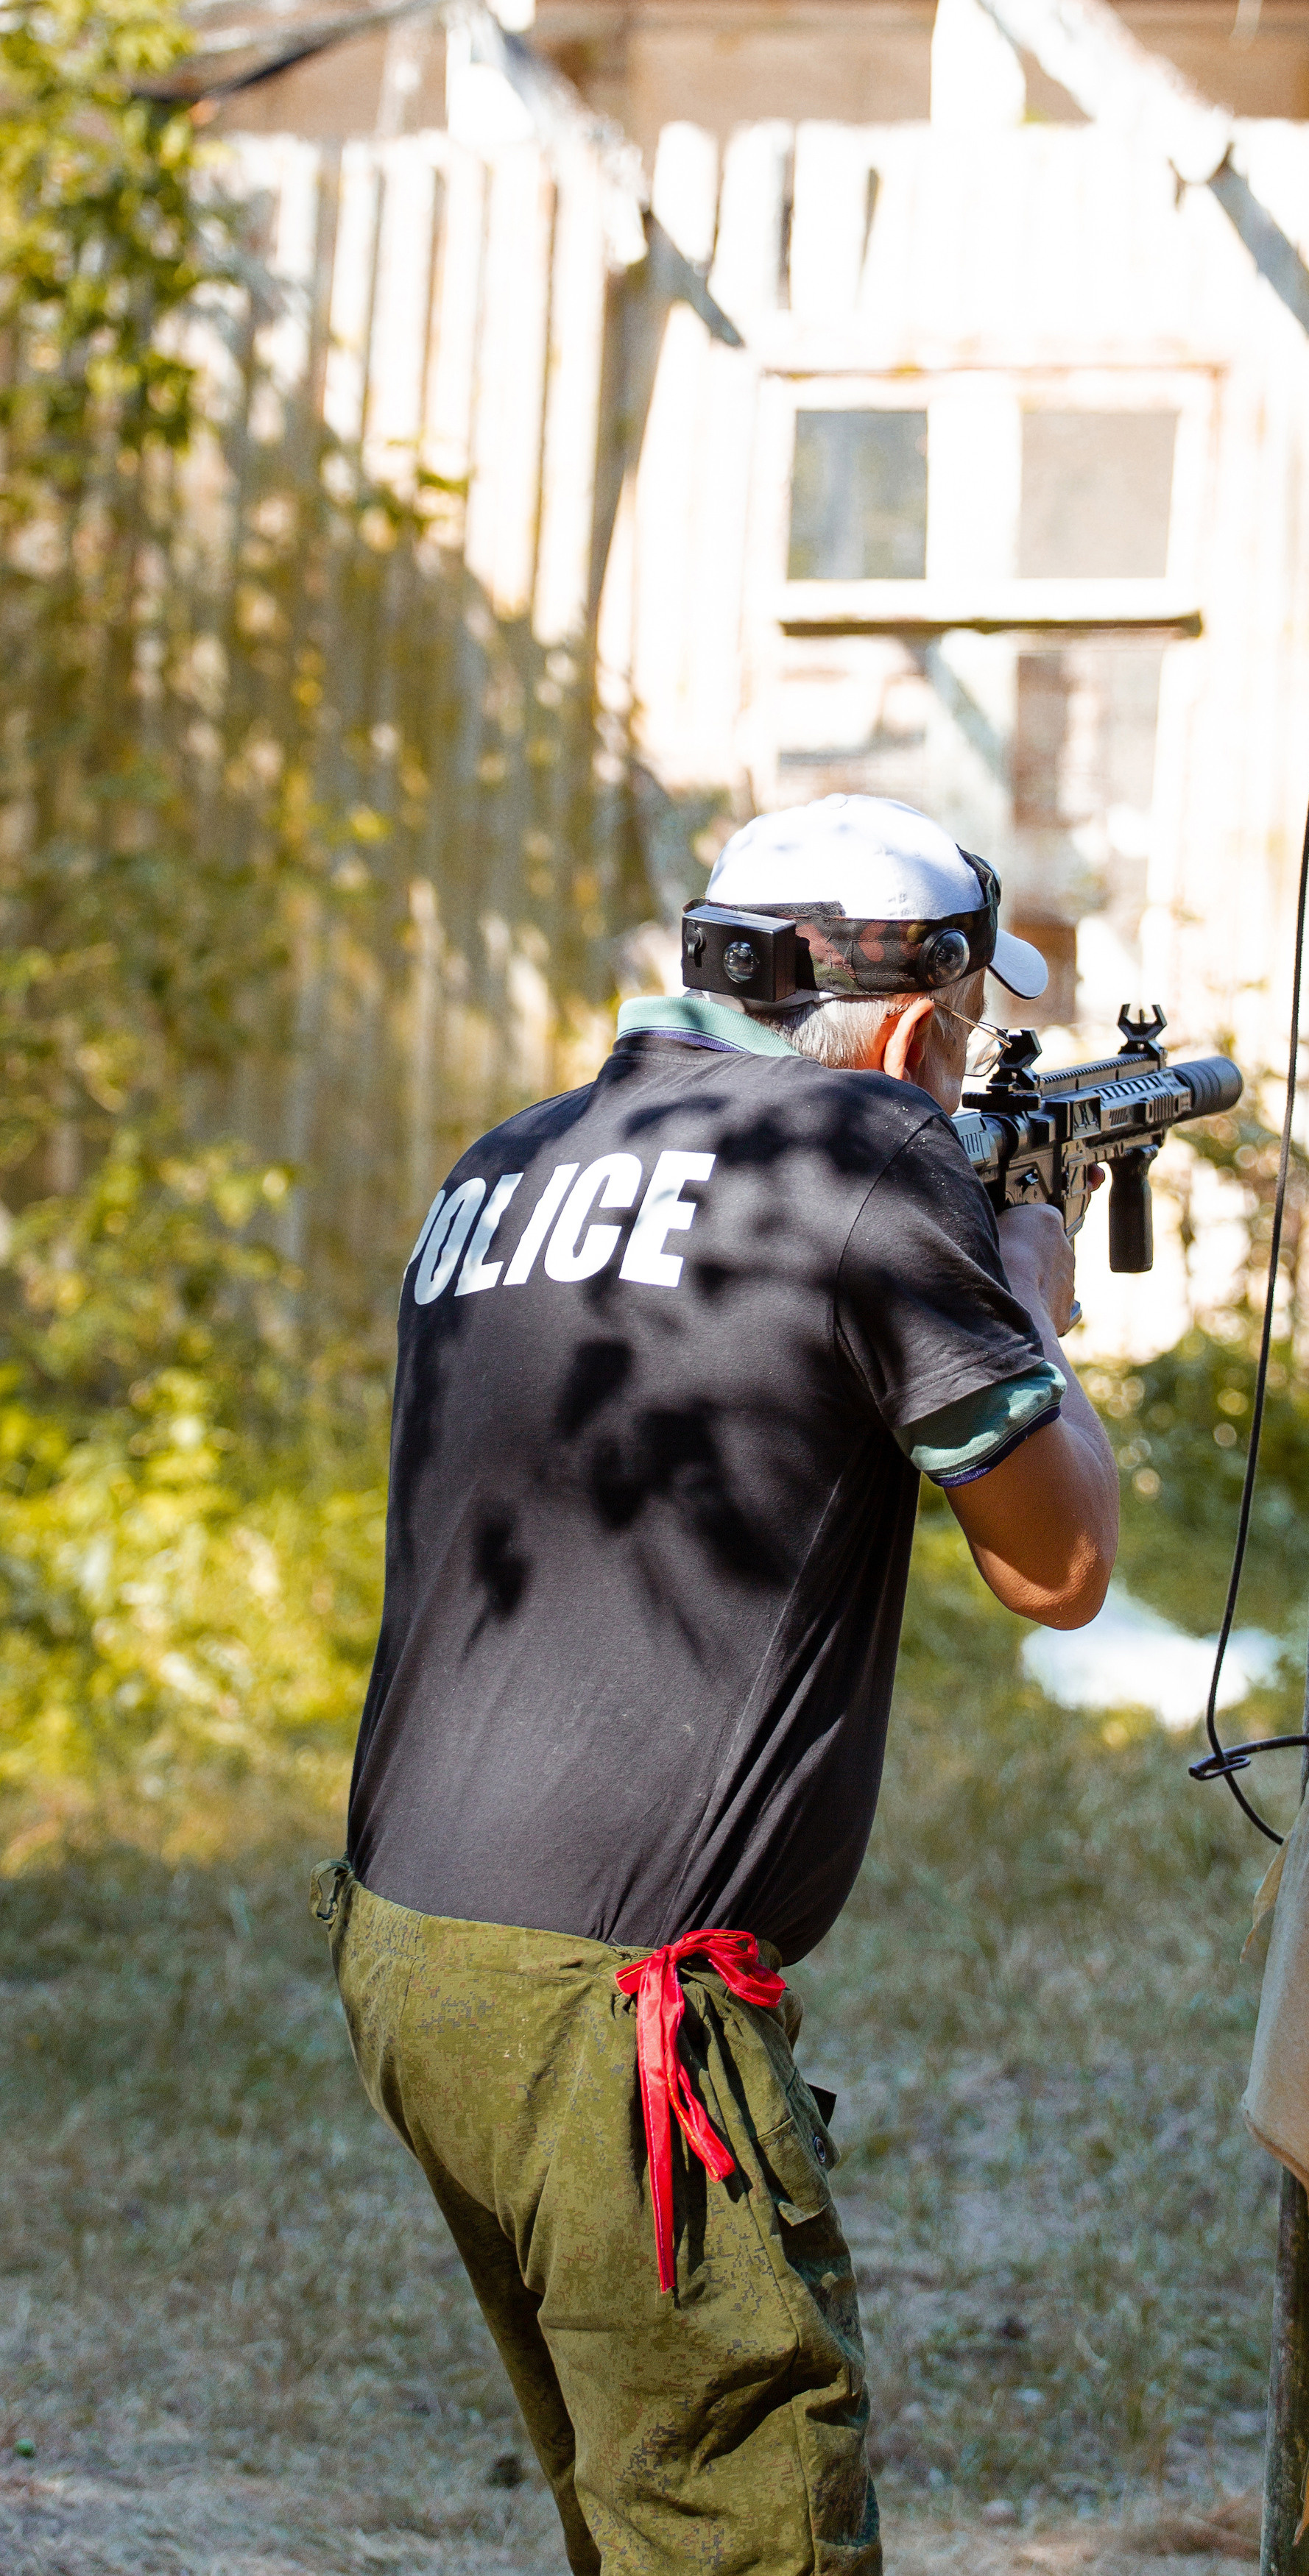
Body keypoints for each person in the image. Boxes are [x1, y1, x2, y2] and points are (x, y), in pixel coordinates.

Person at [313, 793, 1120, 2575]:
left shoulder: (504, 1160)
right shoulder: (866, 1160)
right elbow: (1058, 1571)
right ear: (917, 1025)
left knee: (636, 2504)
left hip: (414, 1943)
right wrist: (1036, 1303)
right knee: (747, 2523)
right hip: (617, 2014)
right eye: (969, 1037)